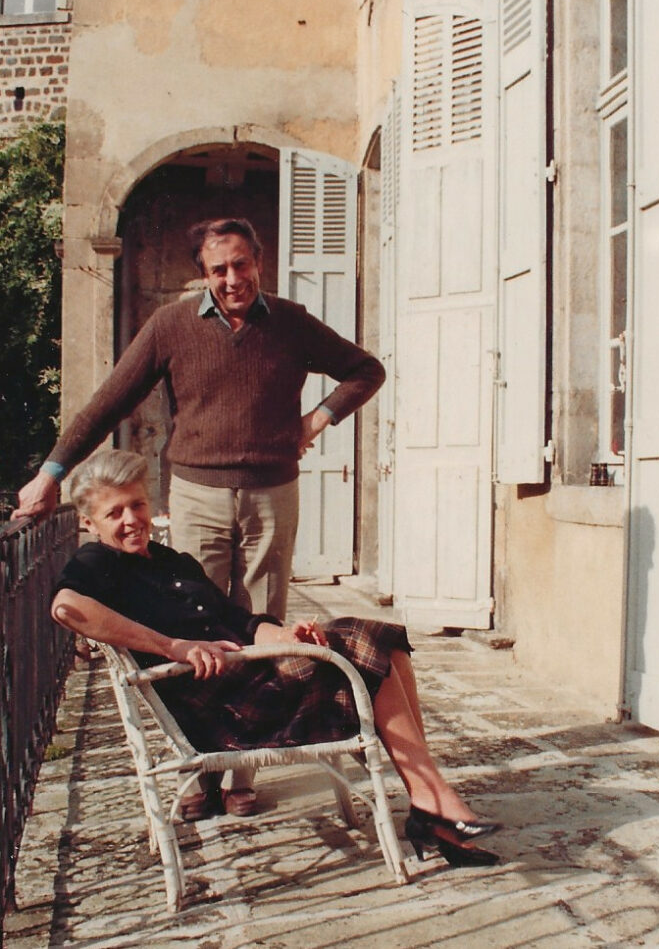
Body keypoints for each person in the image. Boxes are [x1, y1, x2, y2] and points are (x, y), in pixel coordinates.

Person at [50, 449, 500, 865]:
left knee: (384, 644)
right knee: (358, 639)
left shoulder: (173, 562)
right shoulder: (96, 563)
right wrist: (172, 646)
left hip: (250, 684)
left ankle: (431, 802)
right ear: (89, 522)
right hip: (222, 715)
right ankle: (431, 807)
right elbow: (66, 608)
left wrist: (288, 635)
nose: (131, 519)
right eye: (114, 513)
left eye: (137, 505)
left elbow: (242, 622)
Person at [14, 216, 385, 622]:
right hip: (198, 498)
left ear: (258, 262)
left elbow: (366, 370)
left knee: (266, 620)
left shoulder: (291, 322)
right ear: (204, 275)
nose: (233, 279)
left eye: (241, 264)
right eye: (219, 270)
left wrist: (316, 419)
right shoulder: (170, 325)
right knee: (195, 616)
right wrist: (49, 476)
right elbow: (108, 404)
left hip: (272, 496)